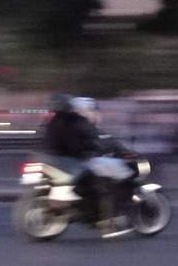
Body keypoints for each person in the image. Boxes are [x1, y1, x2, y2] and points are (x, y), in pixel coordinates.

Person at [40, 94, 132, 233]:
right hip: (75, 164)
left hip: (55, 164)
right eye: (94, 111)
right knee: (105, 185)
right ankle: (109, 223)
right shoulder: (79, 123)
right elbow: (96, 144)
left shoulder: (51, 122)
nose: (97, 115)